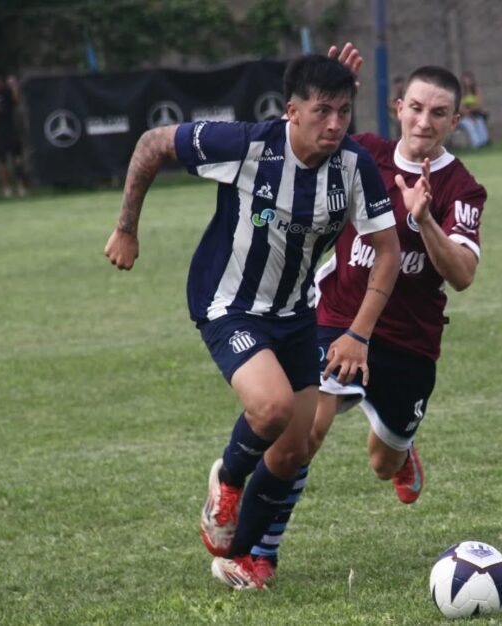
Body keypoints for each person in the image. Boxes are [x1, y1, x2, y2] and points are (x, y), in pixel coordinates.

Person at [103, 52, 416, 590]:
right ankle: (225, 482)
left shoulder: (353, 166)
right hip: (227, 302)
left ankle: (240, 555)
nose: (336, 124)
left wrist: (357, 332)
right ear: (291, 111)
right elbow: (152, 143)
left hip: (296, 313)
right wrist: (127, 226)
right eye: (322, 111)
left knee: (292, 451)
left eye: (344, 111)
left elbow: (386, 250)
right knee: (269, 409)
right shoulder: (247, 145)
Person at [248, 57, 488, 587]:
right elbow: (313, 131)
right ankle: (262, 553)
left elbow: (464, 274)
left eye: (439, 113)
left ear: (454, 122)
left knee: (381, 463)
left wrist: (423, 220)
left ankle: (401, 455)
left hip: (409, 343)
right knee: (305, 432)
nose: (425, 122)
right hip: (337, 317)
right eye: (417, 108)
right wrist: (328, 85)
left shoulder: (463, 190)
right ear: (399, 109)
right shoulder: (366, 155)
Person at [0, 76, 28, 197]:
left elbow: (16, 100)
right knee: (2, 163)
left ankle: (21, 186)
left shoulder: (6, 93)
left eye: (0, 82)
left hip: (11, 132)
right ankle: (6, 188)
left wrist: (14, 85)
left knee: (17, 160)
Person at [458, 70, 490, 149]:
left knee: (480, 123)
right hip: (464, 116)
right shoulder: (461, 92)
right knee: (470, 125)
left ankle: (485, 142)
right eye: (465, 80)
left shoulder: (476, 91)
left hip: (476, 114)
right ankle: (476, 144)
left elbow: (479, 104)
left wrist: (471, 110)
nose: (467, 82)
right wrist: (468, 115)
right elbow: (461, 107)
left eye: (469, 80)